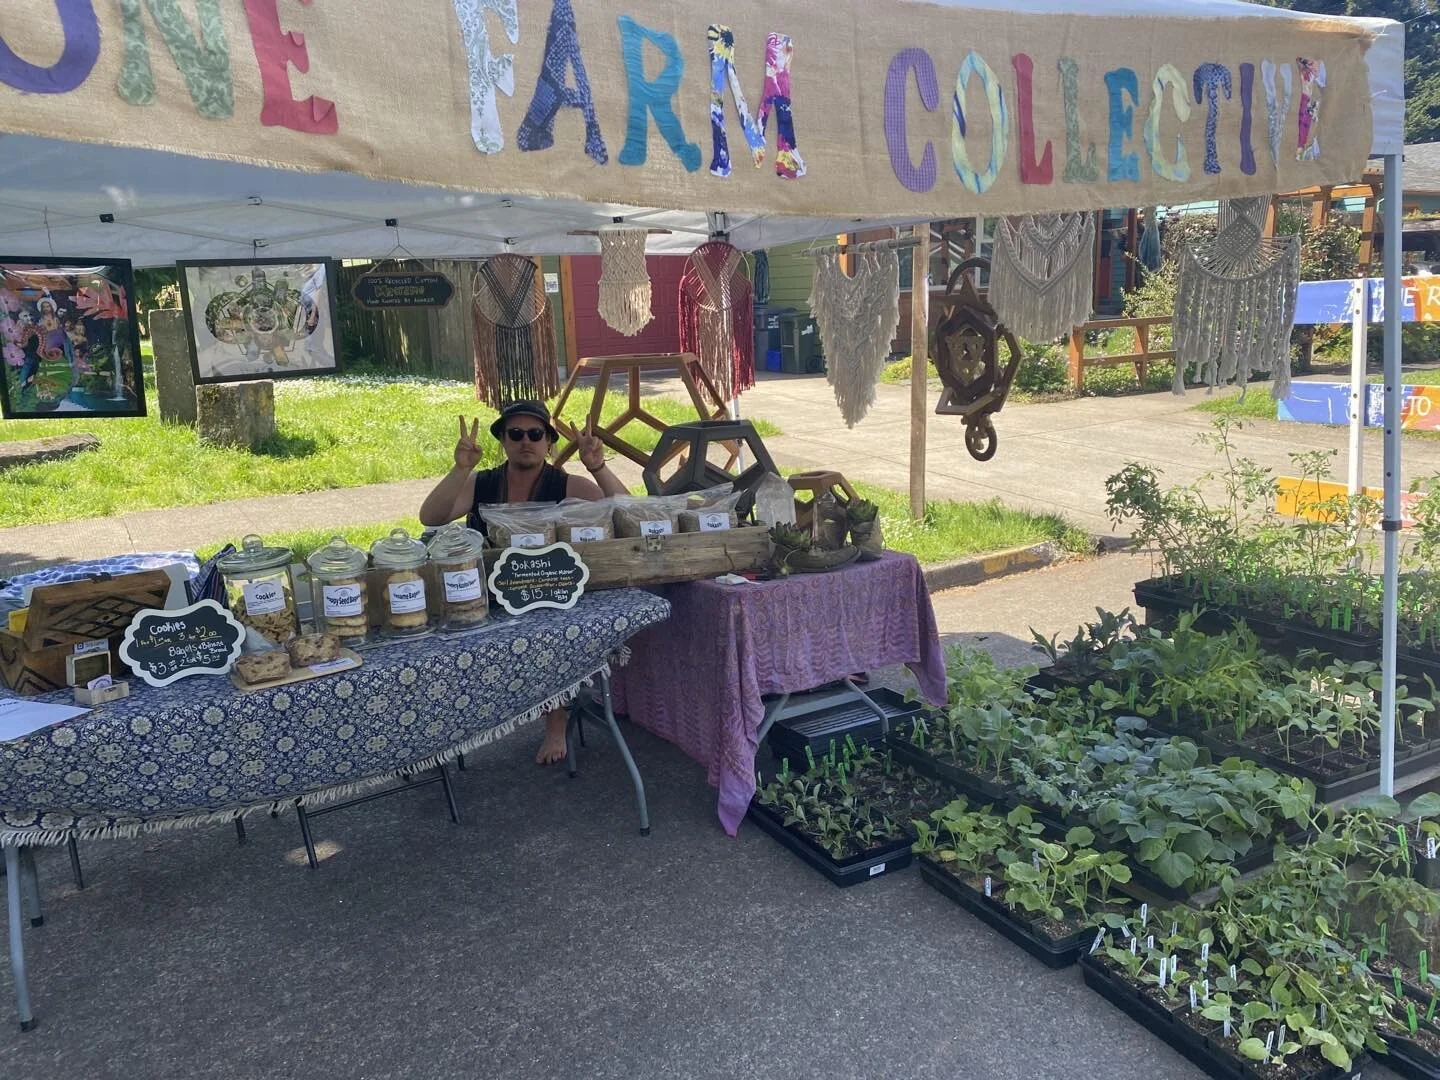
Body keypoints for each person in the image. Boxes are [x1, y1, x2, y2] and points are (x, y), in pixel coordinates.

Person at [419, 400, 626, 765]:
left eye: (535, 434)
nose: (525, 442)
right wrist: (459, 468)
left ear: (549, 442)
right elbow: (431, 517)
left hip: (547, 595)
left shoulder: (565, 484)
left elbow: (627, 511)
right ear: (503, 441)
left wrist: (597, 466)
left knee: (551, 629)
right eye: (515, 434)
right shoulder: (481, 483)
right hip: (487, 598)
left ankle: (555, 722)